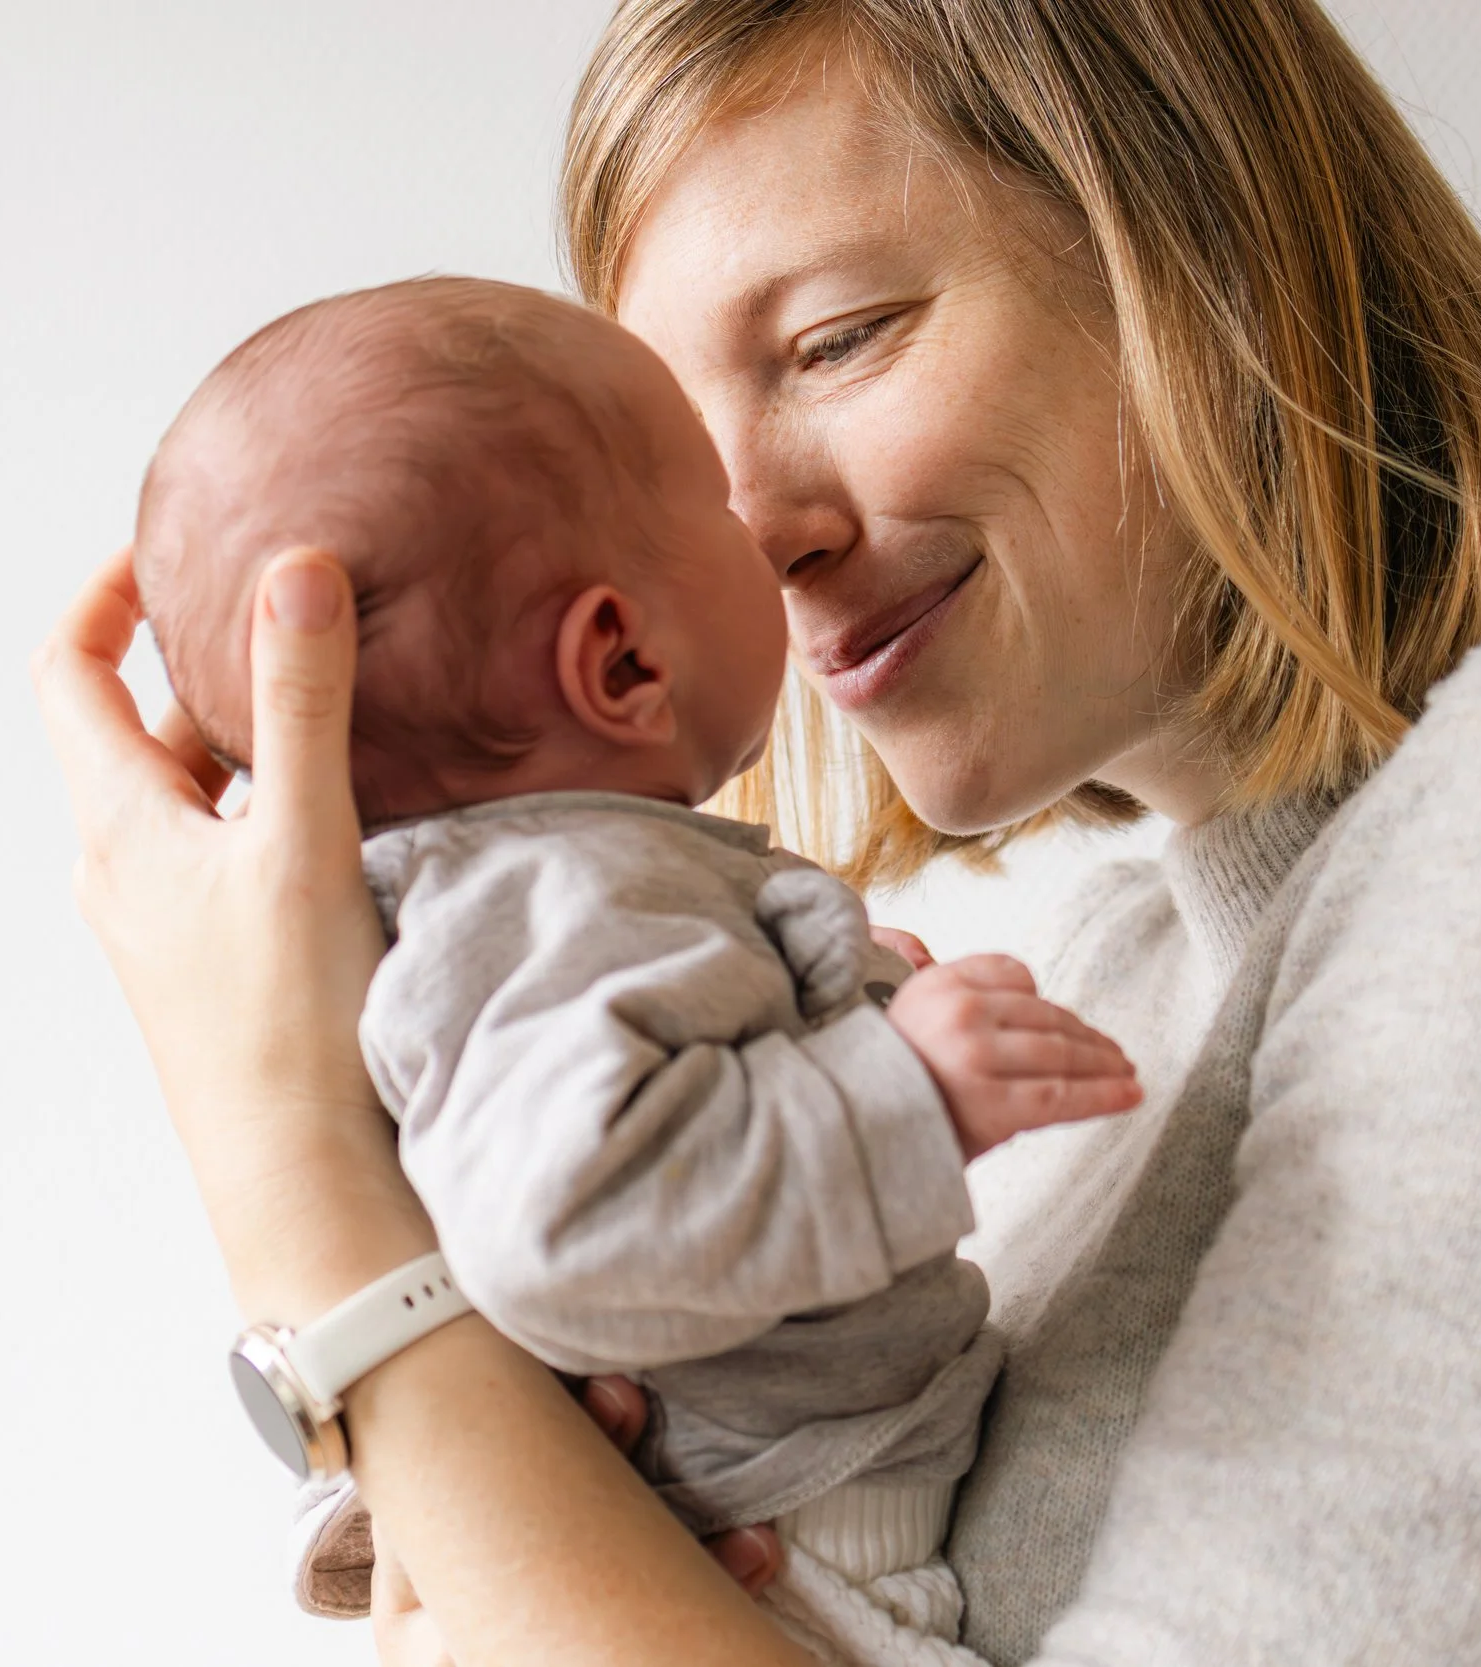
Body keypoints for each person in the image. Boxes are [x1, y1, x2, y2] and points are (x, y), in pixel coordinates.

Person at [35, 1, 1481, 1662]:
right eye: (693, 463)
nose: (760, 530)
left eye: (837, 339)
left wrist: (294, 1171)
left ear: (1197, 242)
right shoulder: (1087, 999)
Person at [131, 272, 1142, 1665]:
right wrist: (893, 1090)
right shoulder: (571, 894)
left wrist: (838, 1013)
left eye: (839, 342)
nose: (776, 540)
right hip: (780, 1550)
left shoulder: (526, 907)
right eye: (715, 505)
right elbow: (573, 1221)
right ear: (616, 656)